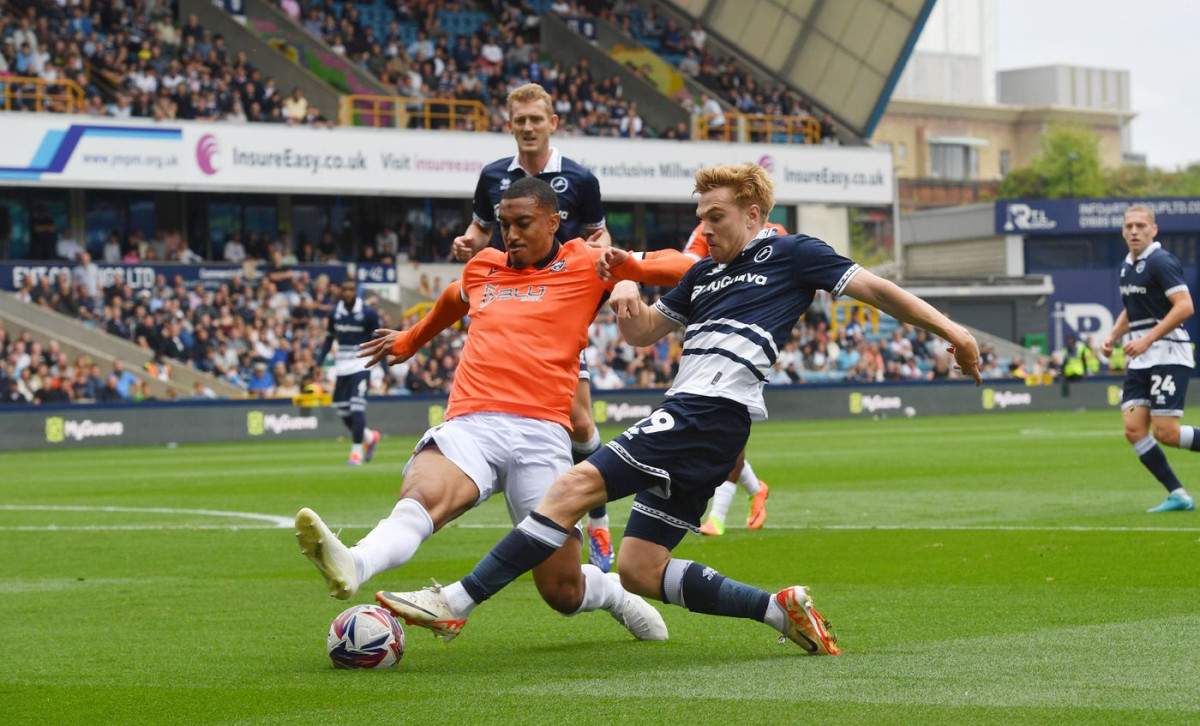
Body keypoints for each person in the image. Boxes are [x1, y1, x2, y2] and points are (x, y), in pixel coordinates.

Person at [380, 163, 982, 655]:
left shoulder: (794, 254)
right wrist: (623, 289)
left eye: (715, 217)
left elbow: (877, 289)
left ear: (754, 214)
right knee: (642, 569)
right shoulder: (704, 275)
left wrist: (952, 330)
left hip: (707, 411)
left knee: (568, 490)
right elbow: (645, 333)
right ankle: (779, 611)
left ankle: (453, 603)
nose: (705, 229)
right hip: (700, 421)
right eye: (700, 218)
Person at [294, 178, 691, 641]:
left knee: (562, 590)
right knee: (421, 500)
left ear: (553, 221)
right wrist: (410, 340)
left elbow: (683, 266)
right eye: (504, 225)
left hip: (542, 432)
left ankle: (615, 594)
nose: (511, 234)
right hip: (472, 419)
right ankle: (355, 562)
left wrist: (626, 268)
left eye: (523, 224)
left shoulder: (584, 261)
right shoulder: (484, 266)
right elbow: (450, 300)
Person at [450, 82, 616, 572]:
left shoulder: (580, 180)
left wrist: (612, 263)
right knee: (564, 419)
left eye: (536, 120)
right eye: (519, 120)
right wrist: (468, 241)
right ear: (509, 124)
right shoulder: (493, 176)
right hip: (508, 305)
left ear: (552, 124)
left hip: (560, 306)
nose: (527, 128)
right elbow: (480, 230)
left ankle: (600, 525)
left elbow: (597, 234)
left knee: (581, 422)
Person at [682, 219, 787, 536]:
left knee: (728, 442)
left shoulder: (777, 233)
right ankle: (756, 489)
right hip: (707, 341)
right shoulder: (705, 230)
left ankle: (718, 518)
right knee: (713, 441)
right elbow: (686, 262)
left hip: (746, 346)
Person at [1100, 205, 1198, 513]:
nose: (1134, 231)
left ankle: (1179, 495)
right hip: (1142, 359)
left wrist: (1146, 338)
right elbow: (1133, 307)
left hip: (1168, 352)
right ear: (1122, 231)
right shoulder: (1127, 266)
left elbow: (1184, 306)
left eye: (1141, 225)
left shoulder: (1160, 261)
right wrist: (1114, 335)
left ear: (1153, 230)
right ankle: (1179, 495)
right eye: (1129, 226)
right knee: (1133, 429)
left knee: (1166, 432)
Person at [315, 278, 382, 466]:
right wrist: (318, 363)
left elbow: (377, 340)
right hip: (342, 367)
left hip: (362, 364)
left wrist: (382, 366)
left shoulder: (368, 313)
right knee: (343, 410)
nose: (348, 293)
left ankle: (356, 453)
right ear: (340, 292)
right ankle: (370, 436)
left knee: (357, 407)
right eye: (345, 289)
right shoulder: (335, 313)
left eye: (351, 289)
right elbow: (329, 339)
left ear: (356, 291)